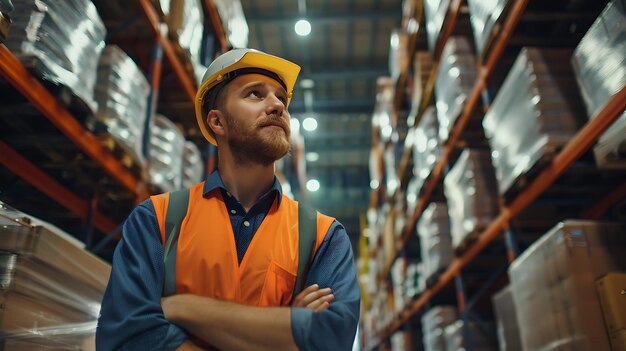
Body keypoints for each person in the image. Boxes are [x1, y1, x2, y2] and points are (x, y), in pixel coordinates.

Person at [96, 48, 361, 350]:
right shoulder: (157, 218)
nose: (277, 106)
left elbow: (329, 337)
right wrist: (285, 324)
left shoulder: (323, 236)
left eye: (281, 98)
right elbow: (125, 336)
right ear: (217, 122)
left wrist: (181, 308)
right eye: (255, 95)